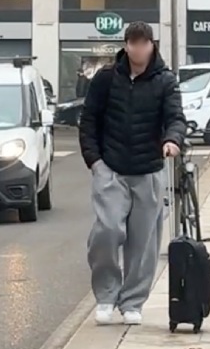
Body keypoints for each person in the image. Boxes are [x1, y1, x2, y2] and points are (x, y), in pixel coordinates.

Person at [78, 21, 186, 327]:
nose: (138, 49)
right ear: (126, 46)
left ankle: (133, 301)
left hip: (148, 170)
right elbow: (89, 120)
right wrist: (95, 161)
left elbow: (176, 118)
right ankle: (106, 295)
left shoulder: (165, 81)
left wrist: (172, 140)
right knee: (107, 231)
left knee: (143, 242)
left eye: (143, 43)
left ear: (152, 45)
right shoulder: (106, 79)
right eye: (133, 43)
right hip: (111, 168)